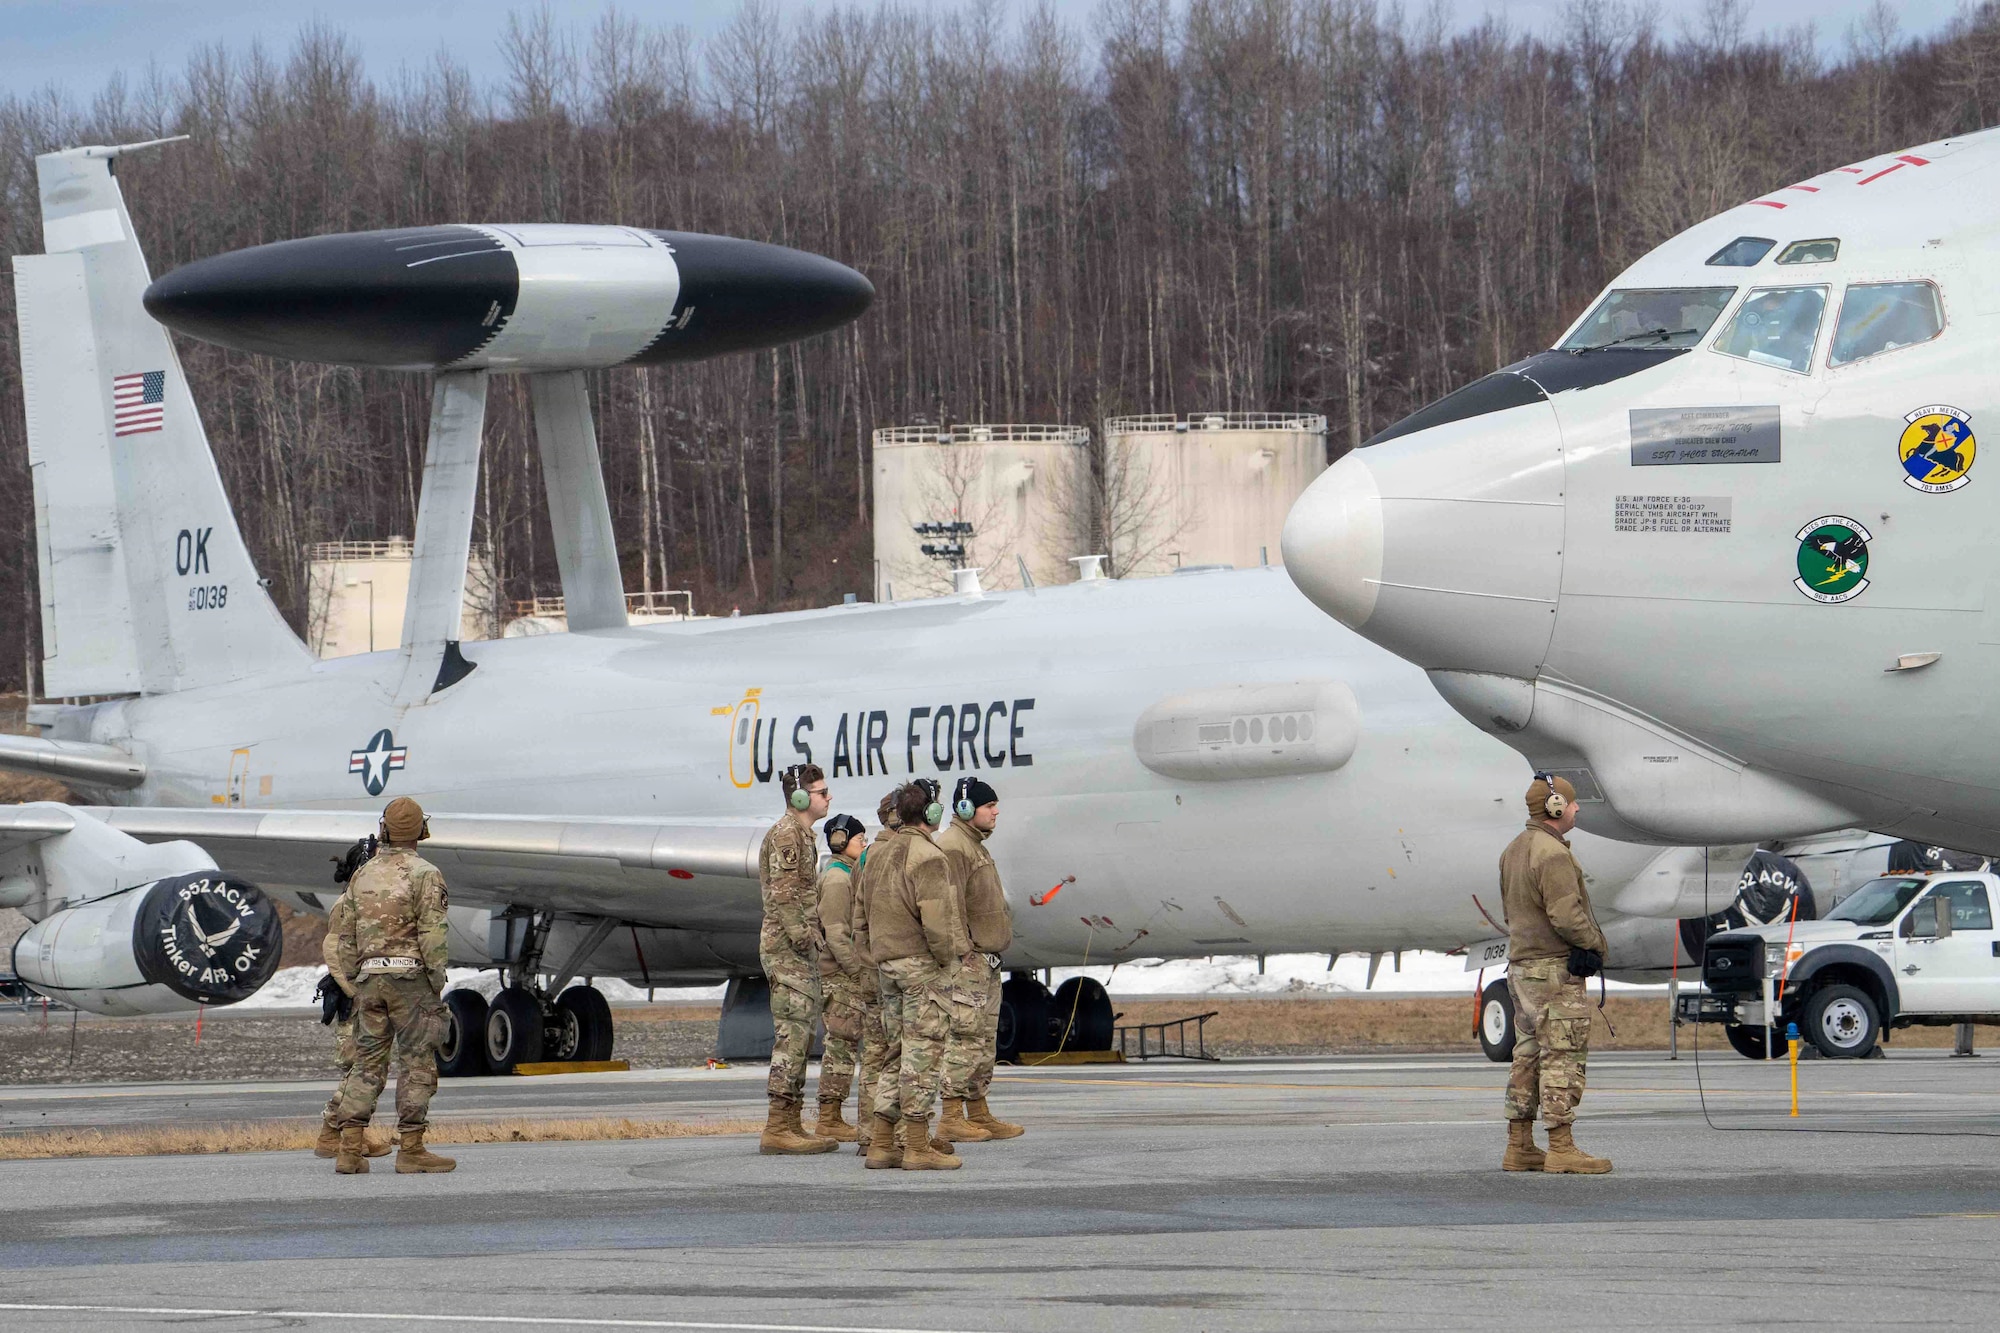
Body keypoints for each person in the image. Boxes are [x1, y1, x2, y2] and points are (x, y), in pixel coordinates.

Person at [328, 797, 456, 1174]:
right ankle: (411, 1149)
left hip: (370, 981)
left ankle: (349, 1150)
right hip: (410, 980)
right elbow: (433, 933)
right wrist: (434, 980)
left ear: (383, 829)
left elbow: (346, 936)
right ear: (421, 830)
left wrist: (355, 981)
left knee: (367, 1064)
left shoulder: (362, 874)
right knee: (417, 1063)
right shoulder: (425, 873)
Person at [1499, 773, 1611, 1175]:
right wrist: (1595, 945)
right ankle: (1561, 1147)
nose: (1577, 808)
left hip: (1522, 968)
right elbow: (1566, 914)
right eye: (1572, 802)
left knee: (1527, 1054)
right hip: (1552, 971)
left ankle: (1520, 1146)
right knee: (1563, 1053)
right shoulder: (1553, 853)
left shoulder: (1514, 850)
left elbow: (1514, 913)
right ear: (1555, 808)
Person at [863, 782, 977, 1171]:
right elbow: (939, 923)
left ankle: (881, 1143)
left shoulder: (878, 853)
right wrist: (949, 961)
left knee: (896, 1054)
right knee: (923, 1056)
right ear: (931, 813)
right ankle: (915, 1145)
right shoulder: (929, 855)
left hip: (888, 966)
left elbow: (861, 915)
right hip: (921, 969)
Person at [937, 777, 1023, 1142]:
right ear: (967, 808)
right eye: (989, 805)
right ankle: (951, 1114)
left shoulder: (974, 846)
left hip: (985, 960)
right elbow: (949, 906)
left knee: (983, 1039)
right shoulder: (955, 847)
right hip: (969, 962)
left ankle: (978, 1110)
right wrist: (964, 953)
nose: (996, 811)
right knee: (964, 1035)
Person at [757, 763, 838, 1155]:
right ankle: (777, 1125)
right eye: (822, 792)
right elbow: (785, 894)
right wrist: (806, 938)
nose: (828, 797)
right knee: (792, 1033)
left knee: (802, 1032)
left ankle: (791, 1121)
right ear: (802, 797)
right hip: (789, 949)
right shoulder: (789, 835)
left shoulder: (803, 836)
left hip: (797, 948)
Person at [812, 813, 870, 1142]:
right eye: (859, 840)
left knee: (844, 1044)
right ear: (841, 841)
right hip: (840, 976)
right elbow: (836, 935)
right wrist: (857, 970)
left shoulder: (848, 874)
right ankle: (829, 1116)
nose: (863, 845)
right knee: (841, 1045)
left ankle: (831, 1114)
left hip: (843, 973)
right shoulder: (837, 880)